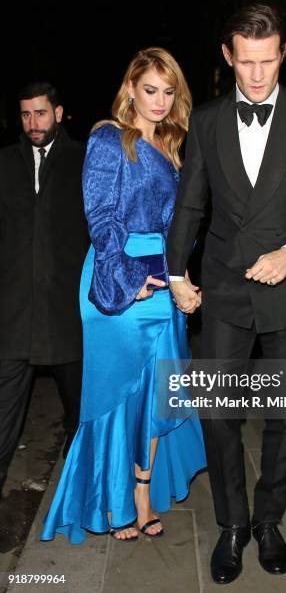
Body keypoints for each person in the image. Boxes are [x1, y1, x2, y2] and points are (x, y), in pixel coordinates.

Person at [166, 0, 286, 585]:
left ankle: (270, 521)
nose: (259, 75)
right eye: (246, 63)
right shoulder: (210, 120)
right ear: (228, 57)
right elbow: (191, 203)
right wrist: (176, 274)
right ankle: (233, 524)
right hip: (222, 287)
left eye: (268, 61)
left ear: (283, 53)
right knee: (218, 413)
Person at [40, 47, 206, 544]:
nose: (158, 101)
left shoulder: (174, 145)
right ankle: (112, 498)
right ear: (130, 89)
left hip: (162, 276)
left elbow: (180, 225)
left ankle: (141, 491)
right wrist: (130, 277)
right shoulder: (111, 139)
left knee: (160, 393)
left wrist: (180, 275)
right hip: (119, 281)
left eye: (168, 92)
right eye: (150, 90)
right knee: (118, 395)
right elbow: (102, 217)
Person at [0, 82, 89, 497]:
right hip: (14, 315)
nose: (32, 123)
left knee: (81, 414)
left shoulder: (85, 159)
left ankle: (78, 495)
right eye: (24, 115)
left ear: (58, 113)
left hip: (69, 314)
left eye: (39, 113)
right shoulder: (4, 163)